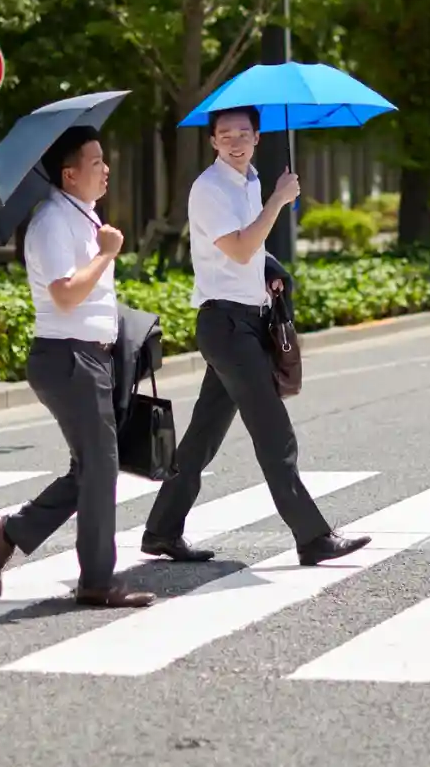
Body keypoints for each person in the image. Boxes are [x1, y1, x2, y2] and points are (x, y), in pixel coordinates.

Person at [140, 105, 370, 566]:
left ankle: (161, 530)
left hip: (246, 319)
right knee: (273, 431)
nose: (235, 141)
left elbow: (251, 253)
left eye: (243, 132)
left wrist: (268, 273)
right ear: (213, 142)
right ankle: (312, 537)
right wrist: (280, 201)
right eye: (225, 134)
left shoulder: (250, 180)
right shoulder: (209, 189)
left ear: (258, 137)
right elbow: (241, 246)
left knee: (202, 438)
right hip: (225, 326)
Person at [0, 125, 155, 608]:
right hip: (67, 357)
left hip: (89, 356)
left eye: (104, 160)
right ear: (69, 173)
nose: (106, 170)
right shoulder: (53, 222)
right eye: (96, 162)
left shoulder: (84, 217)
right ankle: (97, 579)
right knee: (101, 466)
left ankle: (10, 531)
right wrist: (106, 254)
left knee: (93, 468)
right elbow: (64, 293)